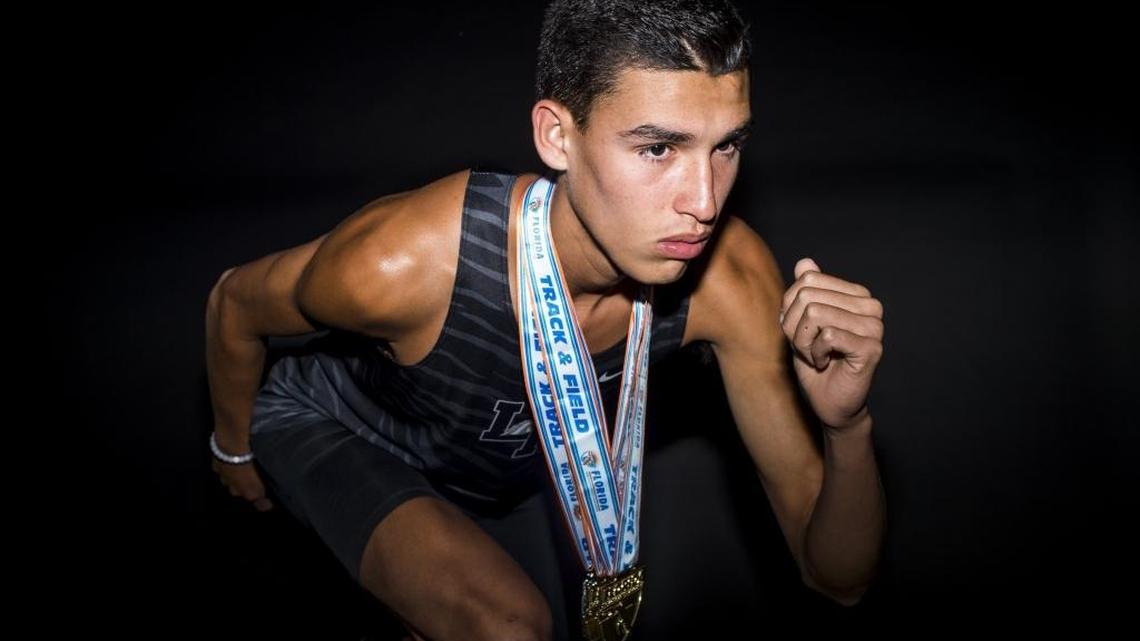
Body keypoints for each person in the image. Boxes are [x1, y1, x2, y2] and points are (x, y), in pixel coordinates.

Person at [205, 1, 887, 639]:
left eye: (726, 146)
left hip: (491, 472)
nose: (705, 201)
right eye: (658, 149)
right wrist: (232, 450)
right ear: (557, 137)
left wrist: (846, 428)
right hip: (340, 430)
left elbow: (837, 580)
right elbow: (234, 299)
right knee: (510, 627)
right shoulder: (404, 262)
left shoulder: (727, 281)